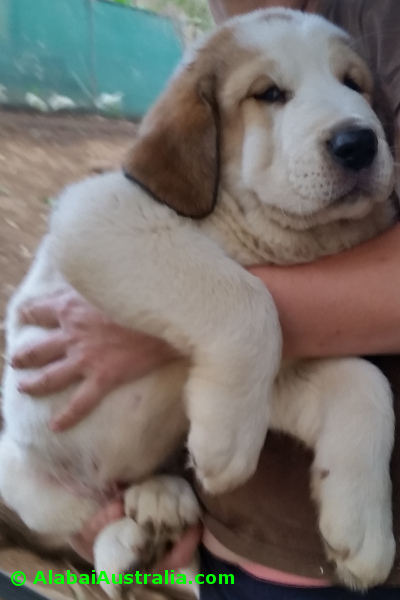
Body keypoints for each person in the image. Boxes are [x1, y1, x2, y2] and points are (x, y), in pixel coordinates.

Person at [9, 0, 400, 597]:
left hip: (186, 506)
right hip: (39, 468)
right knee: (40, 534)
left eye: (353, 82)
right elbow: (85, 224)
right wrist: (238, 326)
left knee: (359, 390)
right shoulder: (189, 194)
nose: (350, 120)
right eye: (270, 93)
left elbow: (281, 377)